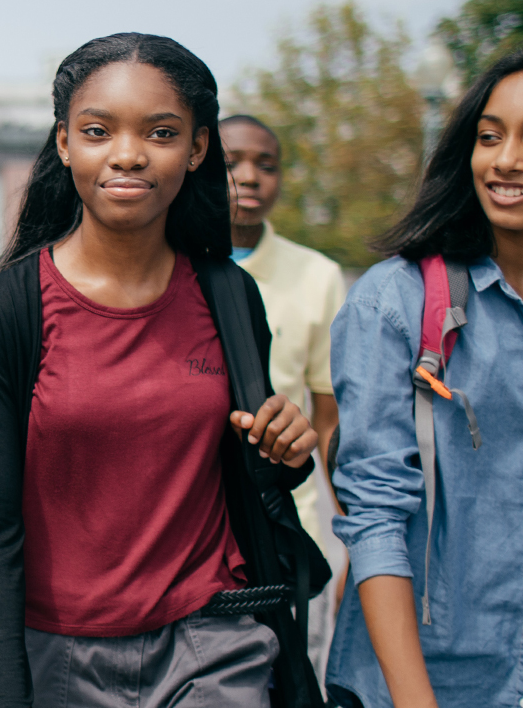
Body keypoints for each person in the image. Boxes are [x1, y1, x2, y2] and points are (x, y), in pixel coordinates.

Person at [0, 32, 321, 708]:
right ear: (64, 143)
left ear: (198, 148)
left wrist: (285, 451)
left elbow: (243, 466)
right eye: (97, 130)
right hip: (56, 654)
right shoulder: (2, 315)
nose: (127, 153)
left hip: (214, 639)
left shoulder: (230, 297)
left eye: (161, 132)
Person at [326, 44, 523, 708]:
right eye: (490, 137)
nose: (506, 159)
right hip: (424, 687)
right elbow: (374, 519)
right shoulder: (392, 302)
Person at [220, 114, 347, 676]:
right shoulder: (163, 267)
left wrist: (357, 549)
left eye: (265, 165)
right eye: (231, 163)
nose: (249, 177)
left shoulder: (317, 275)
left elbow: (333, 419)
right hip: (199, 535)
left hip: (287, 533)